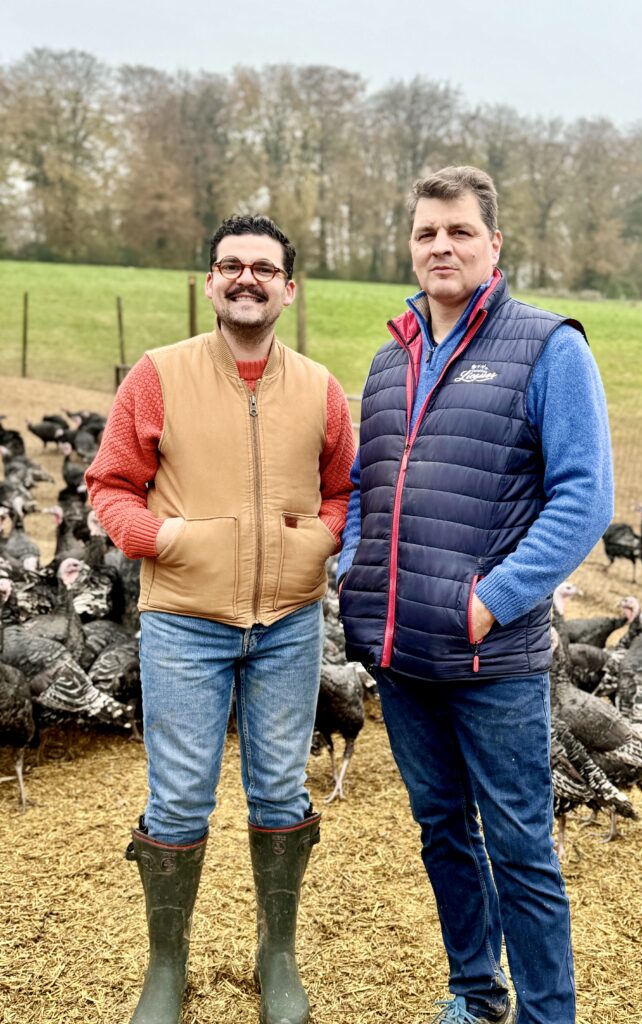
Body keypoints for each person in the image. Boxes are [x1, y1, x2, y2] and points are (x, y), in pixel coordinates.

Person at [337, 167, 613, 1024]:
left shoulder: (549, 347)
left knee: (522, 847)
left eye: (459, 230)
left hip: (492, 655)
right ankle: (476, 992)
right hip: (401, 655)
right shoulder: (390, 361)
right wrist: (352, 569)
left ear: (494, 244)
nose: (441, 246)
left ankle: (546, 1015)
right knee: (443, 830)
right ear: (410, 246)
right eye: (427, 232)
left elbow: (584, 497)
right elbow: (367, 487)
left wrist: (493, 598)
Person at [86, 214, 355, 1024]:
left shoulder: (321, 388)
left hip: (289, 622)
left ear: (288, 289)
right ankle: (166, 967)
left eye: (264, 269)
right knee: (177, 799)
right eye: (231, 265)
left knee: (279, 791)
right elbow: (110, 485)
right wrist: (166, 540)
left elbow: (344, 490)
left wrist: (319, 543)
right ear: (209, 282)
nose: (247, 278)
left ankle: (277, 956)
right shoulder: (157, 375)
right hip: (184, 619)